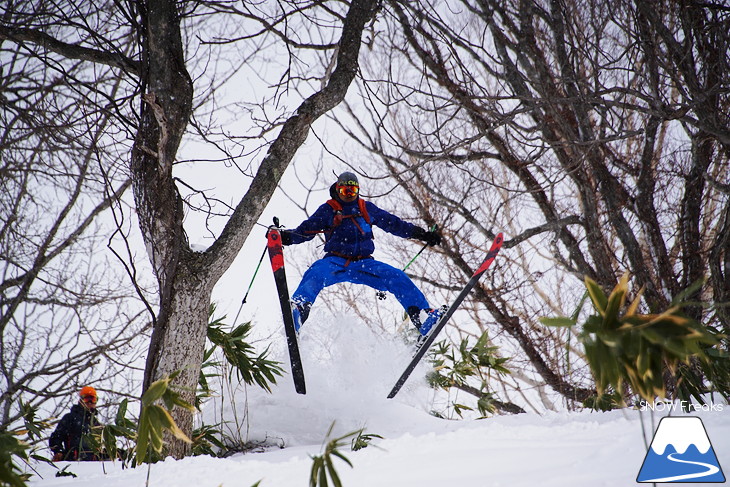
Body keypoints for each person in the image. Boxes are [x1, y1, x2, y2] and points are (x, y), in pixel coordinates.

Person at [278, 171, 444, 335]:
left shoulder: (366, 208)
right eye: (345, 191)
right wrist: (287, 237)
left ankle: (422, 317)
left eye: (353, 191)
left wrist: (421, 234)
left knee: (396, 276)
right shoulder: (329, 209)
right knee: (316, 273)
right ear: (338, 190)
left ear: (358, 190)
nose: (349, 195)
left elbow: (394, 224)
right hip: (335, 262)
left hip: (365, 264)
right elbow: (306, 231)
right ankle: (299, 310)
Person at [49, 386, 102, 461]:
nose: (89, 402)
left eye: (92, 399)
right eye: (86, 399)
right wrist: (58, 452)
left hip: (93, 463)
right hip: (73, 460)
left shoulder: (96, 424)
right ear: (81, 400)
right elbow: (56, 437)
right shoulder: (70, 418)